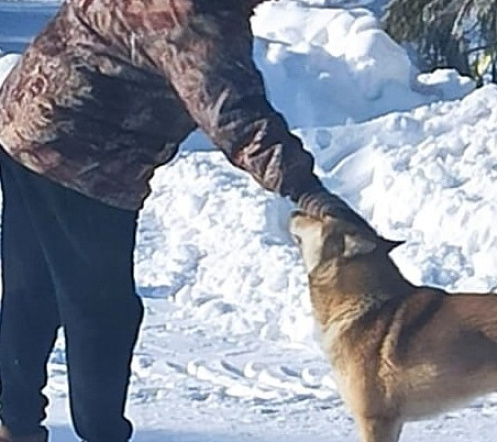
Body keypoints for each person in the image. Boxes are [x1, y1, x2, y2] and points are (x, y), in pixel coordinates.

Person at [0, 1, 373, 441]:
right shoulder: (200, 17)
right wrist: (306, 190)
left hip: (24, 119)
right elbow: (236, 116)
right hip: (83, 154)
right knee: (103, 312)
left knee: (32, 288)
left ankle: (12, 422)